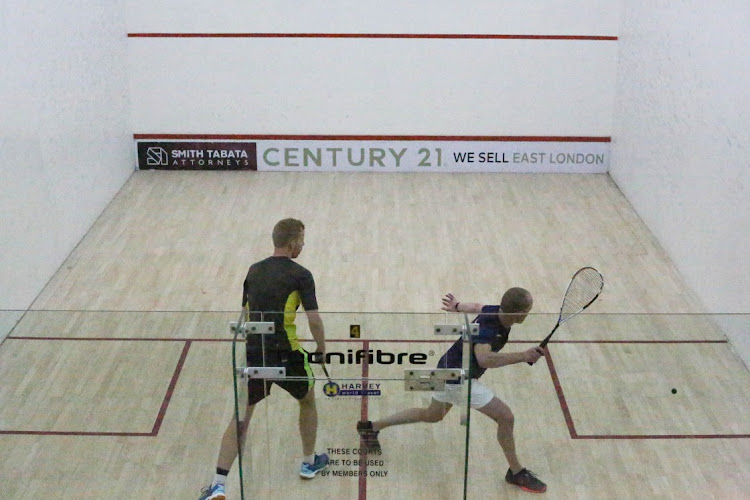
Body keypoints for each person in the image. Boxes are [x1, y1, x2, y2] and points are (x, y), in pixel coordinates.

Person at [357, 288, 548, 494]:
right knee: (506, 417)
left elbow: (477, 307)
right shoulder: (490, 330)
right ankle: (516, 472)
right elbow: (485, 359)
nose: (529, 312)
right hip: (459, 379)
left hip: (446, 367)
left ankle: (371, 427)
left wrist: (457, 306)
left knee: (432, 415)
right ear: (518, 313)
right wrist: (523, 356)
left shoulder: (496, 311)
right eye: (528, 310)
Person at [200, 218, 329, 500]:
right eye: (303, 241)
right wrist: (321, 348)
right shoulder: (301, 275)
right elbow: (314, 319)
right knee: (307, 400)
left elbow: (246, 314)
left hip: (256, 352)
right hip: (288, 354)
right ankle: (309, 462)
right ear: (293, 242)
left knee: (243, 416)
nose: (304, 245)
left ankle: (218, 484)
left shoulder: (254, 271)